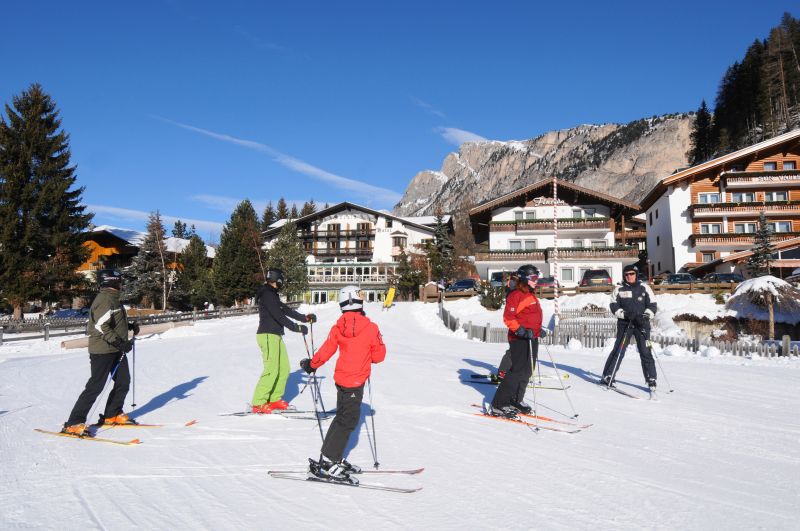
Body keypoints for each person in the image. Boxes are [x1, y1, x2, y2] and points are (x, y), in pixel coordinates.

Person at [300, 285, 386, 484]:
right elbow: (379, 355)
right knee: (347, 421)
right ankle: (329, 463)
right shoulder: (370, 327)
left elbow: (327, 349)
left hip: (341, 380)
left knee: (341, 417)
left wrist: (312, 364)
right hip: (355, 381)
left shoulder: (338, 327)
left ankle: (330, 457)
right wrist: (368, 354)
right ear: (359, 302)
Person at [62, 269, 140, 435]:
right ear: (112, 281)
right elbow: (99, 326)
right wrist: (118, 341)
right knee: (95, 386)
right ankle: (73, 423)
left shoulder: (113, 298)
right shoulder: (105, 299)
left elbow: (111, 322)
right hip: (103, 350)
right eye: (120, 280)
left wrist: (129, 326)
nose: (122, 283)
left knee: (123, 382)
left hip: (116, 349)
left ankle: (112, 414)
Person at [251, 268, 316, 414]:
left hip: (275, 335)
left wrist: (304, 318)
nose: (283, 281)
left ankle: (274, 399)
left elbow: (285, 310)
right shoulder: (267, 294)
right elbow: (278, 316)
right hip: (267, 335)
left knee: (284, 368)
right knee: (271, 369)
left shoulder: (272, 294)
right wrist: (296, 327)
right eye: (282, 278)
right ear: (277, 279)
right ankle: (258, 402)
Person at [489, 264, 544, 418]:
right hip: (519, 339)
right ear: (525, 278)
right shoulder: (516, 295)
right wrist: (520, 330)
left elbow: (530, 316)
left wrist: (539, 330)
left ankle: (515, 399)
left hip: (531, 337)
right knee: (517, 371)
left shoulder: (530, 293)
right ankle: (498, 404)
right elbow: (508, 318)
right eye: (533, 278)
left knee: (527, 371)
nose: (536, 280)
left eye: (536, 277)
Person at [600, 264, 658, 390]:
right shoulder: (619, 289)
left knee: (645, 351)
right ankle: (608, 376)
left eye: (631, 274)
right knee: (618, 350)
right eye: (626, 274)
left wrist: (645, 316)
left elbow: (652, 304)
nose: (629, 276)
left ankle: (651, 379)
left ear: (636, 274)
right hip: (625, 324)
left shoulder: (644, 287)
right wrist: (624, 314)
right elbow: (613, 305)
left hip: (641, 324)